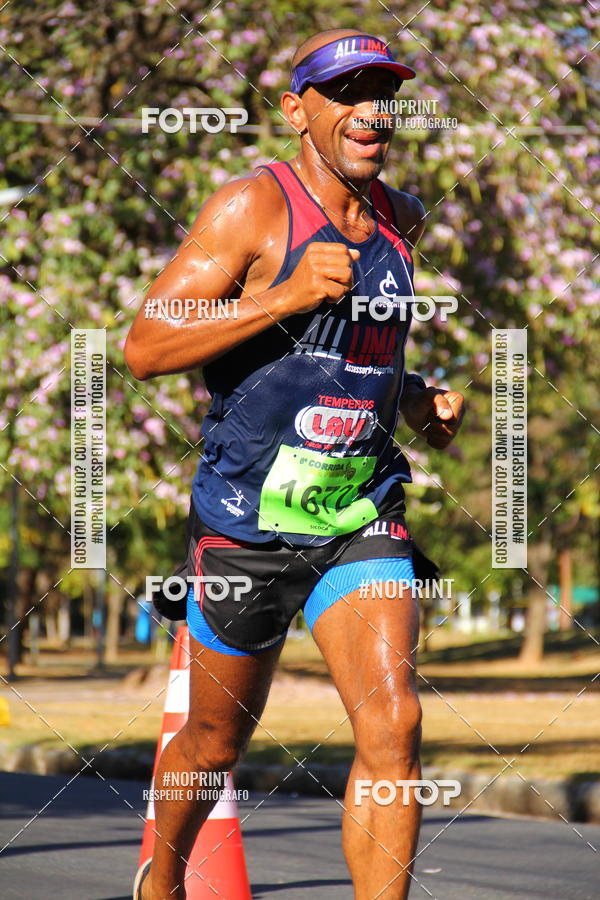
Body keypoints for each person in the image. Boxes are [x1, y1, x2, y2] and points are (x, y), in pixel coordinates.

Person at [126, 27, 465, 900]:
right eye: (346, 92)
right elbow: (147, 344)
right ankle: (160, 882)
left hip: (358, 512)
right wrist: (280, 296)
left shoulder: (403, 219)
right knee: (212, 742)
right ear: (297, 110)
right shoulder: (251, 207)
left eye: (383, 93)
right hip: (245, 522)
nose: (370, 110)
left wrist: (415, 398)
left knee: (395, 722)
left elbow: (354, 350)